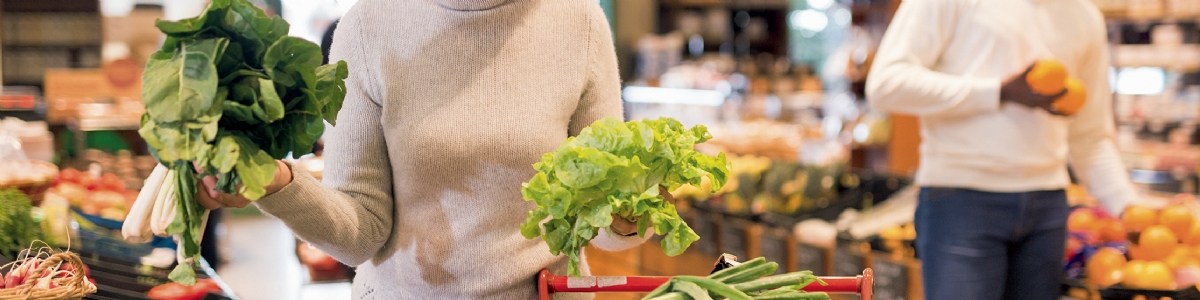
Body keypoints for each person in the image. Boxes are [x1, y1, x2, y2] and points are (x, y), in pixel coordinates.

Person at [193, 0, 648, 298]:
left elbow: (600, 219)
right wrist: (277, 183)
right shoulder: (368, 25)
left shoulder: (579, 19)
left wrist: (634, 212)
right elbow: (362, 231)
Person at [865, 0, 1137, 299]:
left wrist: (1128, 207)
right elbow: (886, 84)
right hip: (962, 200)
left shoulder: (1085, 16)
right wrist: (998, 92)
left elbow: (1091, 136)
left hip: (1048, 207)